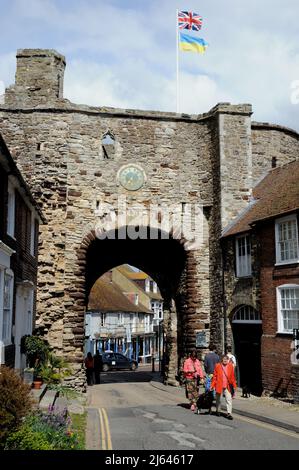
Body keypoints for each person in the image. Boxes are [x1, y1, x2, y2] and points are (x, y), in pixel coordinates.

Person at [211, 354, 237, 420]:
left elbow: (232, 377)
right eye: (224, 359)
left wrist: (234, 386)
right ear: (221, 360)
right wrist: (212, 385)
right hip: (219, 385)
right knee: (218, 399)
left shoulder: (230, 366)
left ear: (228, 360)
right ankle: (218, 411)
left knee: (229, 399)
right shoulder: (218, 366)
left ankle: (229, 413)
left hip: (227, 385)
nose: (225, 360)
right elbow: (215, 377)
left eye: (226, 359)